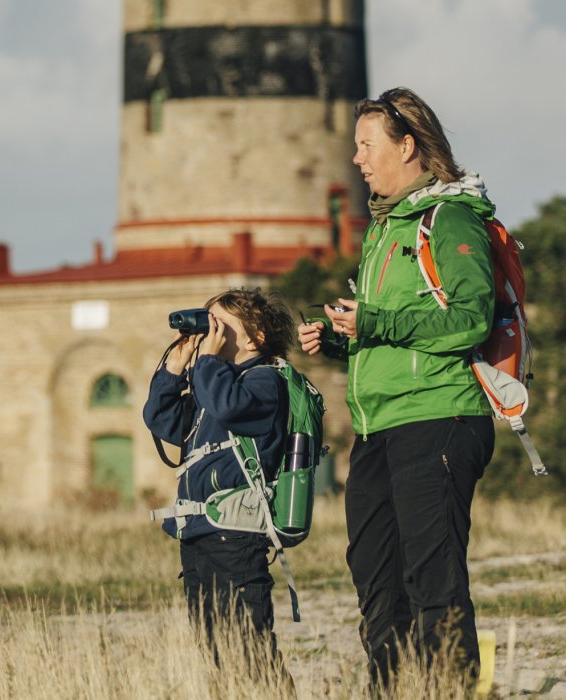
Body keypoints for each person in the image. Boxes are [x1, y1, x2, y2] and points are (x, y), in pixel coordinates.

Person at [300, 86, 497, 687]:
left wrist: (376, 321)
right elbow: (393, 334)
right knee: (376, 575)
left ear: (408, 145)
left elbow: (471, 319)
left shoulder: (452, 218)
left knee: (433, 579)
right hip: (378, 428)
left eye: (366, 145)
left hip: (439, 418)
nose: (356, 159)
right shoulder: (384, 230)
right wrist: (339, 339)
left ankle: (454, 688)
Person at [144, 287, 298, 671]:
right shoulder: (213, 383)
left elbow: (231, 406)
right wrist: (173, 371)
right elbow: (164, 422)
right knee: (214, 647)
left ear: (255, 337)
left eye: (221, 325)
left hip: (235, 534)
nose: (210, 333)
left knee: (249, 649)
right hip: (198, 531)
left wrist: (209, 363)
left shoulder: (265, 381)